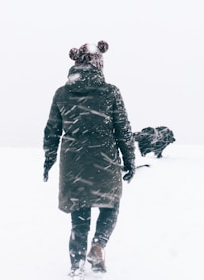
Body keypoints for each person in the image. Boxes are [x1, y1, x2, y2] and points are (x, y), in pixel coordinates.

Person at [43, 40, 135, 277]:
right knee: (110, 204)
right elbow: (123, 129)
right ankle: (98, 245)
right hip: (104, 157)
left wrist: (49, 158)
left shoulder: (62, 93)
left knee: (79, 217)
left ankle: (76, 267)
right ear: (98, 63)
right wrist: (129, 160)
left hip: (74, 161)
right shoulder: (110, 92)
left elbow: (52, 130)